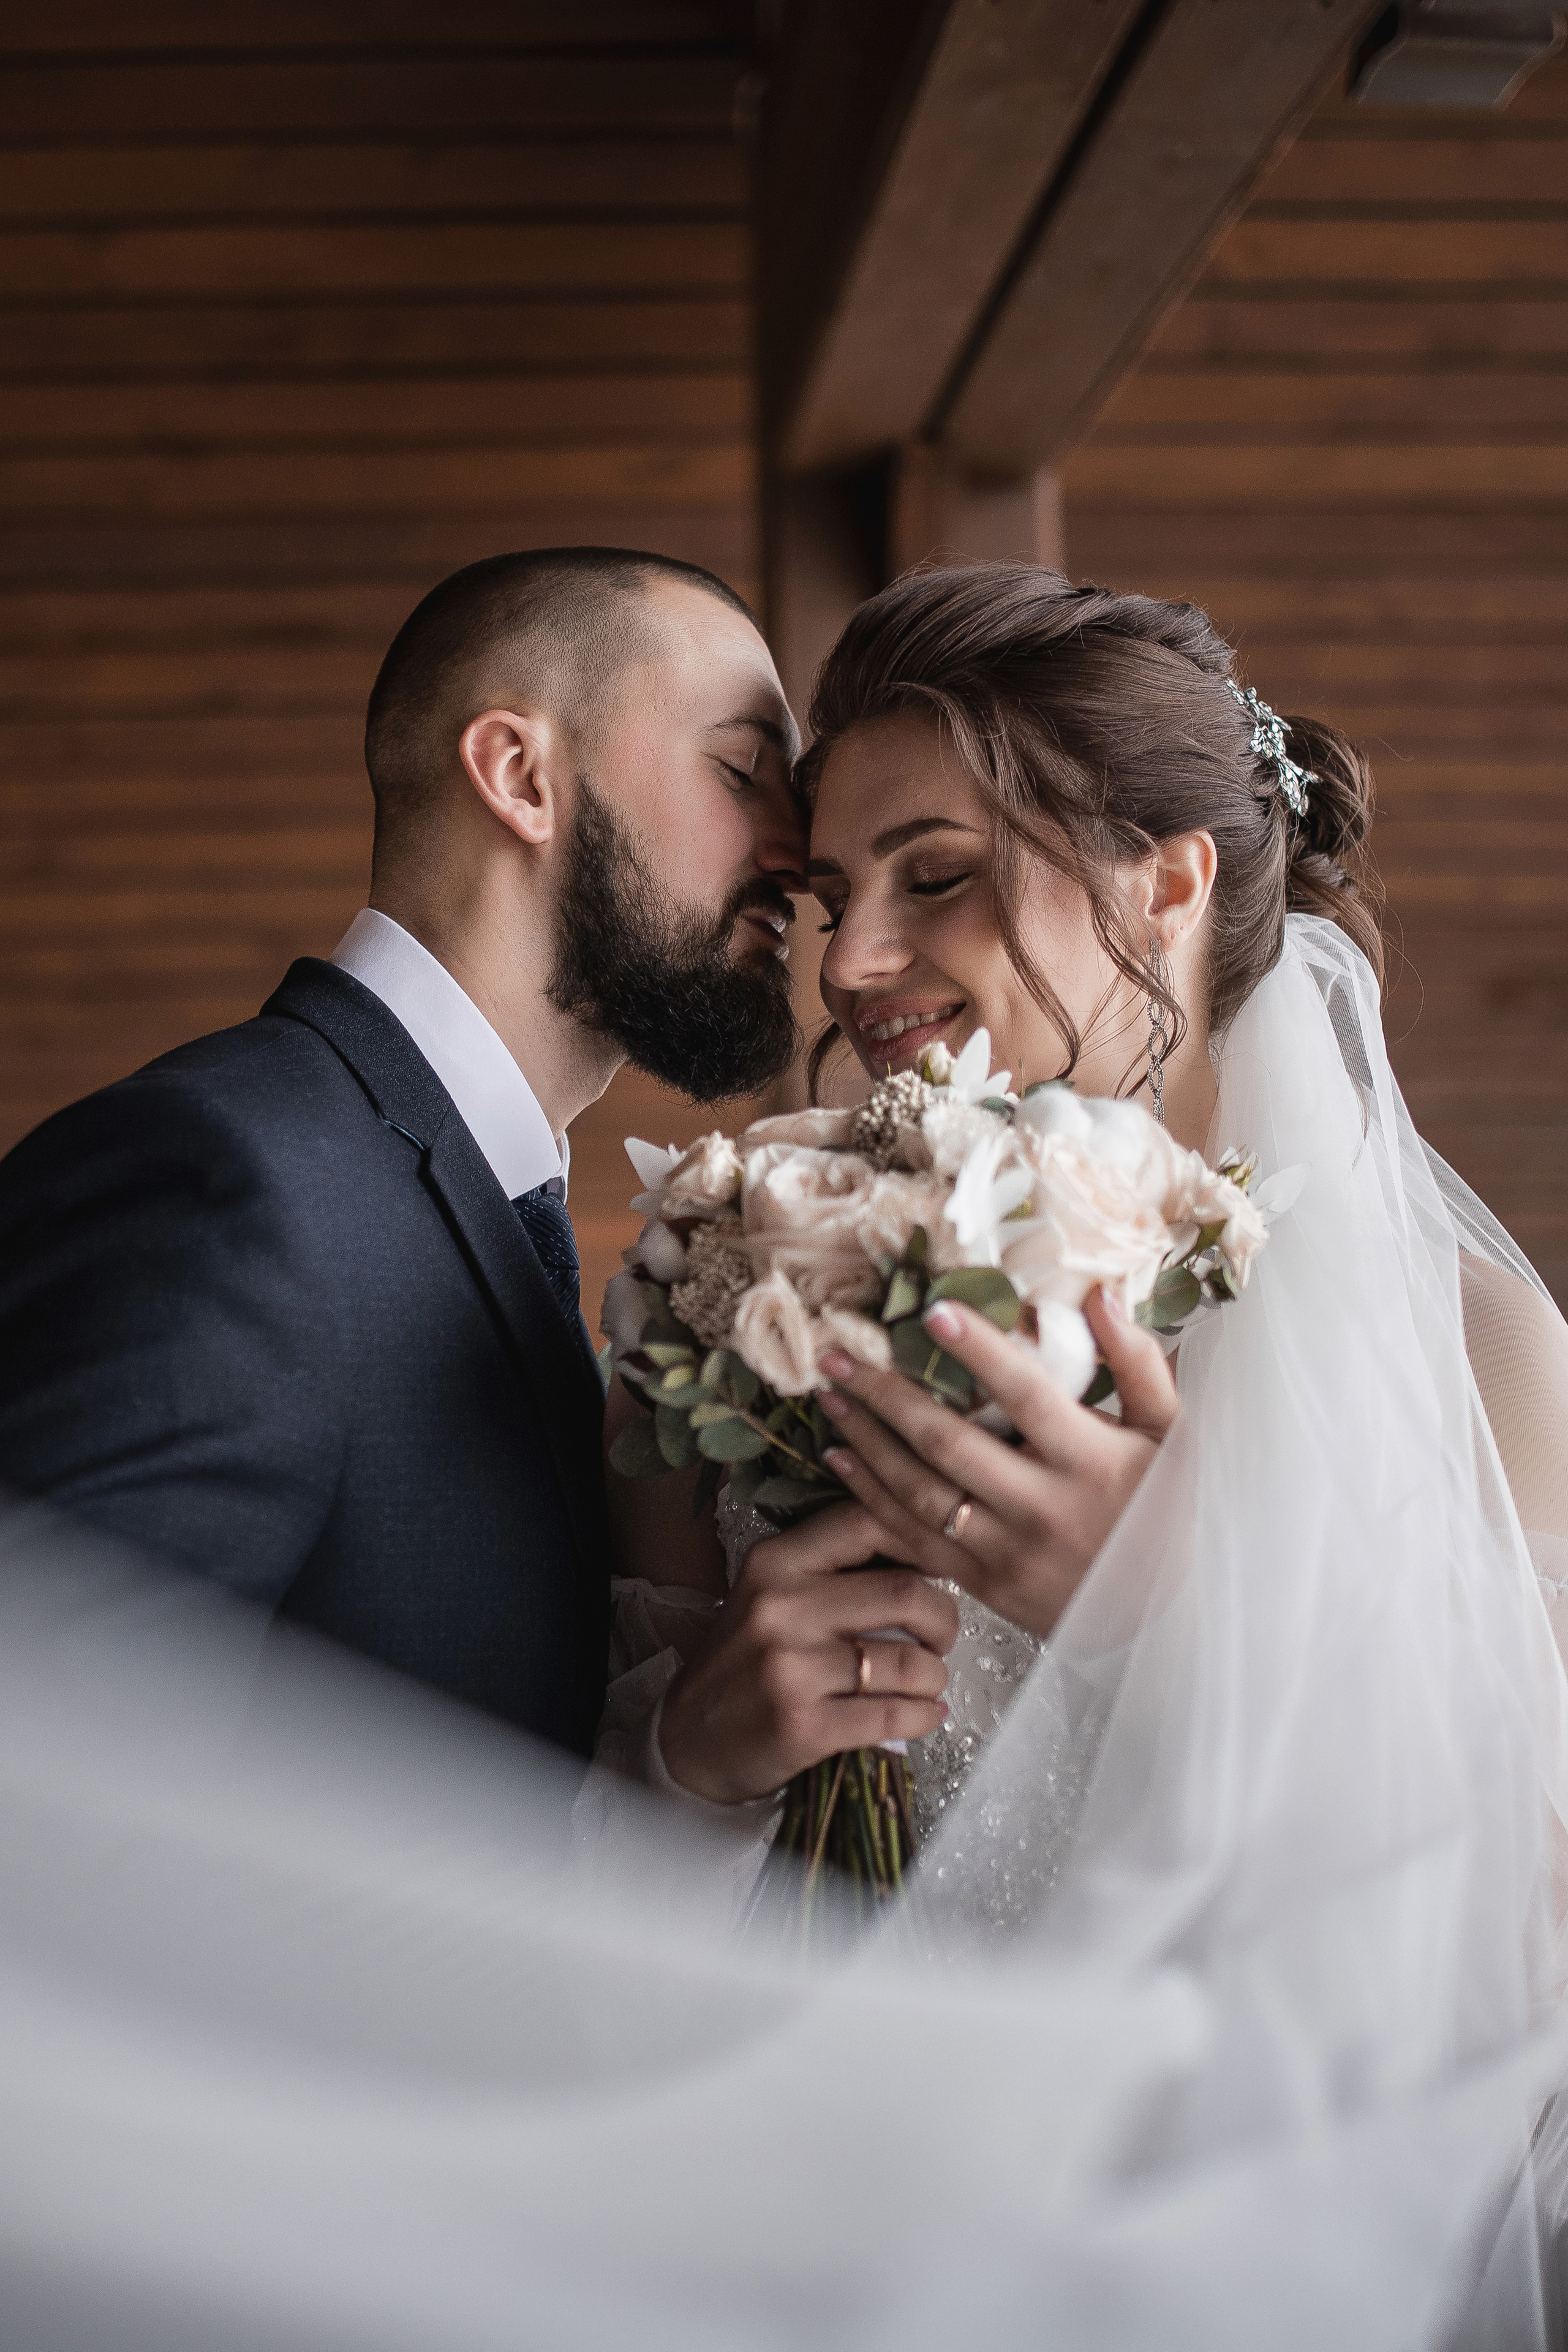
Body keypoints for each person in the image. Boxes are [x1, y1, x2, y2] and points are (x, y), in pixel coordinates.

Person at [584, 565, 1568, 2329]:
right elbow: (592, 1972)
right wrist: (694, 1768)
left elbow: (1510, 2001)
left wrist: (1182, 1630)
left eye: (935, 877)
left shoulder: (1479, 1364)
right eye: (831, 895)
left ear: (1166, 885)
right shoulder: (742, 1283)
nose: (849, 964)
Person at [0, 546, 810, 1754]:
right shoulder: (221, 1185)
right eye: (743, 771)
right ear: (520, 776)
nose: (798, 853)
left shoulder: (476, 1204)